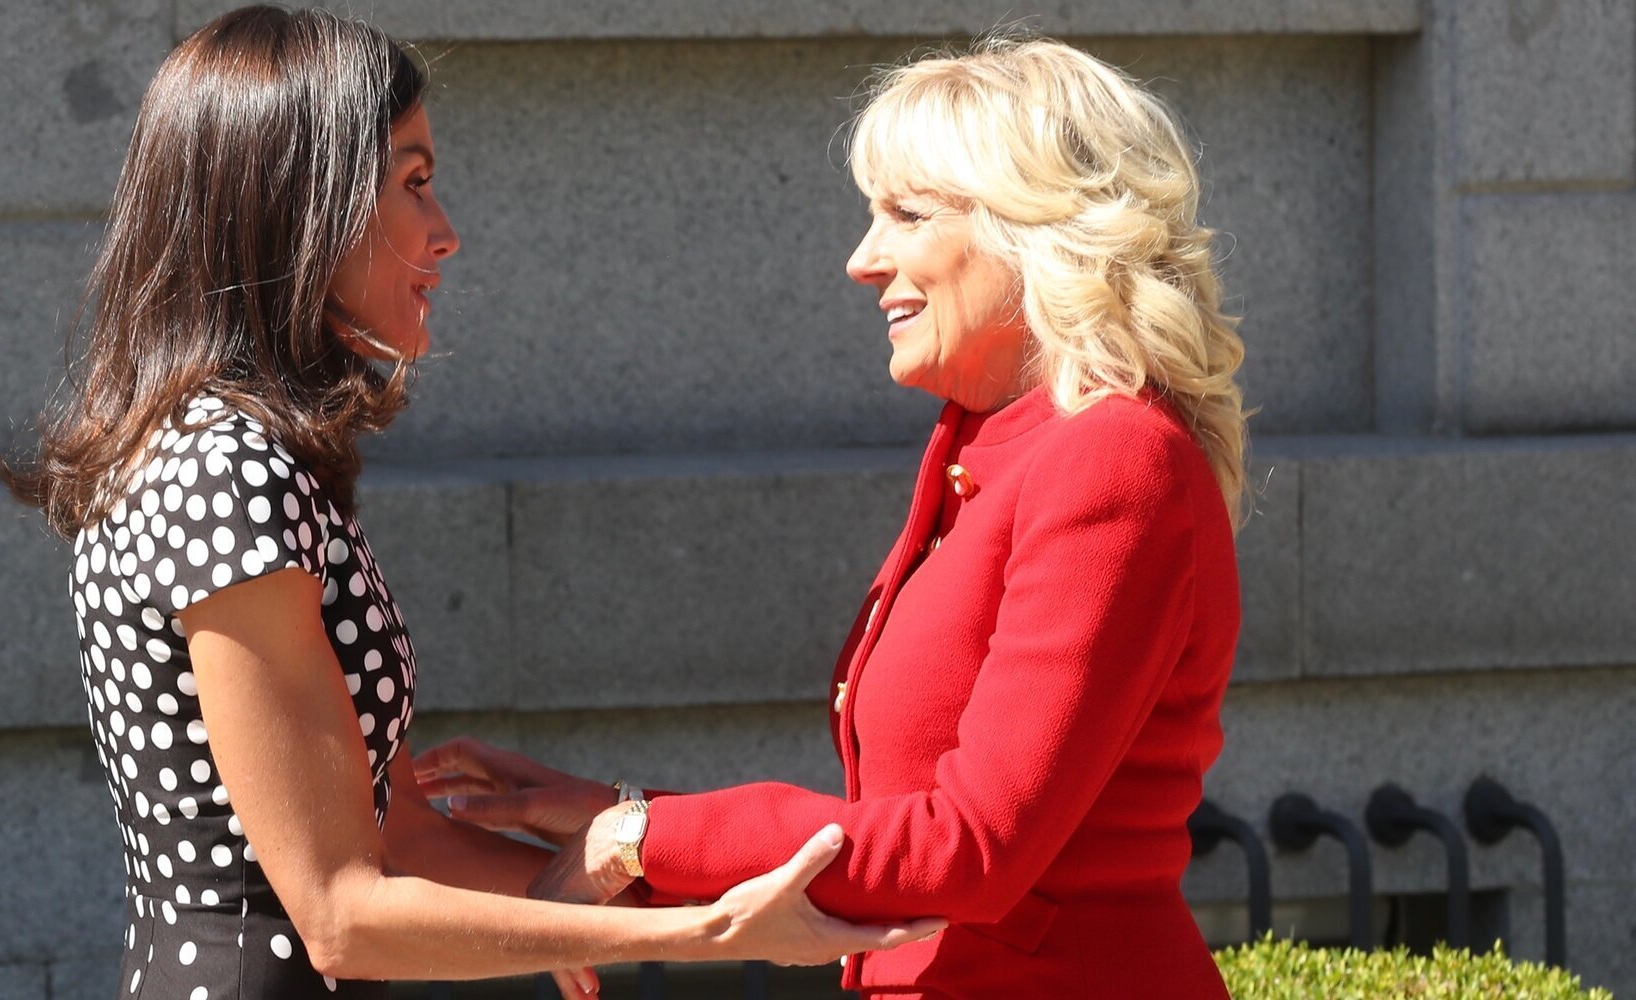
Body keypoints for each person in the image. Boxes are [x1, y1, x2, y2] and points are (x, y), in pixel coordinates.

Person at [1, 7, 942, 1000]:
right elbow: (338, 911)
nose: (443, 233)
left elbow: (399, 832)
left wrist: (657, 891)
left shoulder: (240, 454)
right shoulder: (219, 470)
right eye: (412, 183)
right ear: (298, 205)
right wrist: (704, 932)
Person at [419, 37, 1249, 999]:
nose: (863, 259)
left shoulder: (1113, 457)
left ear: (1037, 226)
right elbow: (894, 831)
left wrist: (641, 839)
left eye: (906, 213)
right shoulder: (995, 444)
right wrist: (610, 812)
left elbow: (970, 847)